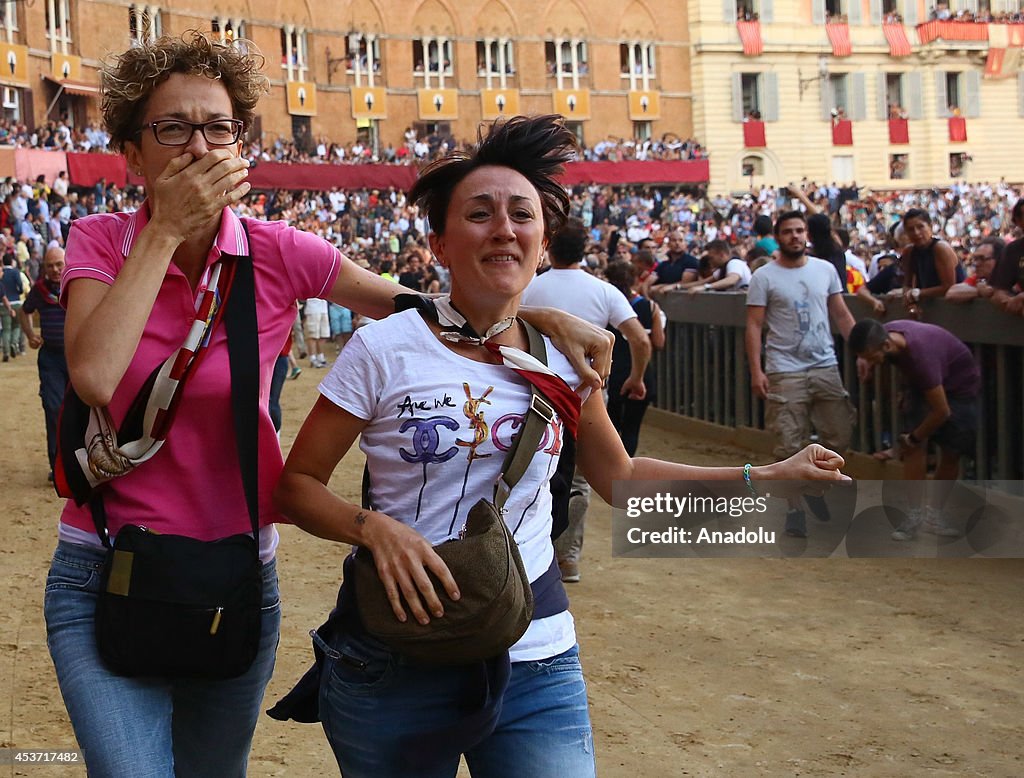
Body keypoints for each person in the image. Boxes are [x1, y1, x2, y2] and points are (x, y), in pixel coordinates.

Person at [44, 34, 610, 778]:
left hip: (236, 570)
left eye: (218, 127)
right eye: (172, 128)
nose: (198, 146)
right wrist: (166, 230)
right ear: (132, 153)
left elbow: (432, 306)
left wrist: (541, 311)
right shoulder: (100, 240)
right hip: (107, 566)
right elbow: (92, 373)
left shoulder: (279, 252)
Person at [272, 114, 849, 778]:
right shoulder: (382, 347)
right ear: (438, 242)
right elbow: (297, 484)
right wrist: (373, 530)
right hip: (399, 655)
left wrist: (765, 477)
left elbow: (622, 481)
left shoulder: (563, 358)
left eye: (522, 214)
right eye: (479, 214)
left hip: (537, 657)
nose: (504, 229)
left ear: (543, 241)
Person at [521, 216, 652, 582]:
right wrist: (635, 377)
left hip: (531, 396)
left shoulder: (530, 286)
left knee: (536, 472)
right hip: (586, 394)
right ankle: (568, 557)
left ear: (547, 245)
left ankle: (534, 554)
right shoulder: (604, 290)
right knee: (579, 480)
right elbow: (639, 339)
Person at [745, 210, 857, 538]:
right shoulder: (764, 276)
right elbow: (753, 325)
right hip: (784, 368)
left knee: (839, 434)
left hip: (825, 364)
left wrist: (861, 350)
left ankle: (814, 490)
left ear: (806, 234)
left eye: (799, 230)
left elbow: (841, 313)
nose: (795, 236)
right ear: (778, 237)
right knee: (788, 442)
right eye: (788, 232)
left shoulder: (825, 270)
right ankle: (795, 509)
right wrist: (757, 370)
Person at [849, 319, 979, 539]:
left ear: (886, 347)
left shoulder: (922, 358)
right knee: (911, 449)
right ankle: (914, 515)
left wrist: (915, 437)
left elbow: (942, 411)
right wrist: (866, 362)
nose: (872, 363)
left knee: (950, 452)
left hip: (959, 388)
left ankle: (934, 515)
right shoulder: (886, 334)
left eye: (872, 358)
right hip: (923, 385)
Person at [604, 260, 664, 455]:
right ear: (635, 280)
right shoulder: (650, 307)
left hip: (612, 372)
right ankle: (625, 471)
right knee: (632, 428)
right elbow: (659, 342)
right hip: (641, 371)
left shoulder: (605, 303)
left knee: (610, 427)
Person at [18, 246, 67, 479]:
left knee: (84, 411)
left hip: (79, 357)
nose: (55, 270)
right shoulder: (39, 290)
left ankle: (81, 465)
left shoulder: (79, 284)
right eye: (50, 266)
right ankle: (57, 466)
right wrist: (30, 335)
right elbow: (25, 311)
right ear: (44, 268)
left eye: (59, 264)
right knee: (53, 408)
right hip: (51, 359)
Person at [901, 207, 965, 310]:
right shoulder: (909, 252)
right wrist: (908, 299)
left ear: (930, 227)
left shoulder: (941, 248)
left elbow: (948, 287)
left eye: (920, 227)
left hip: (956, 307)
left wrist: (918, 293)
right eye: (911, 229)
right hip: (929, 307)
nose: (916, 233)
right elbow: (907, 284)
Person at [946, 237, 1001, 302]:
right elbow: (951, 293)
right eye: (975, 259)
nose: (976, 264)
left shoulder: (1011, 279)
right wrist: (979, 291)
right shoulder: (978, 279)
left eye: (982, 259)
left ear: (999, 260)